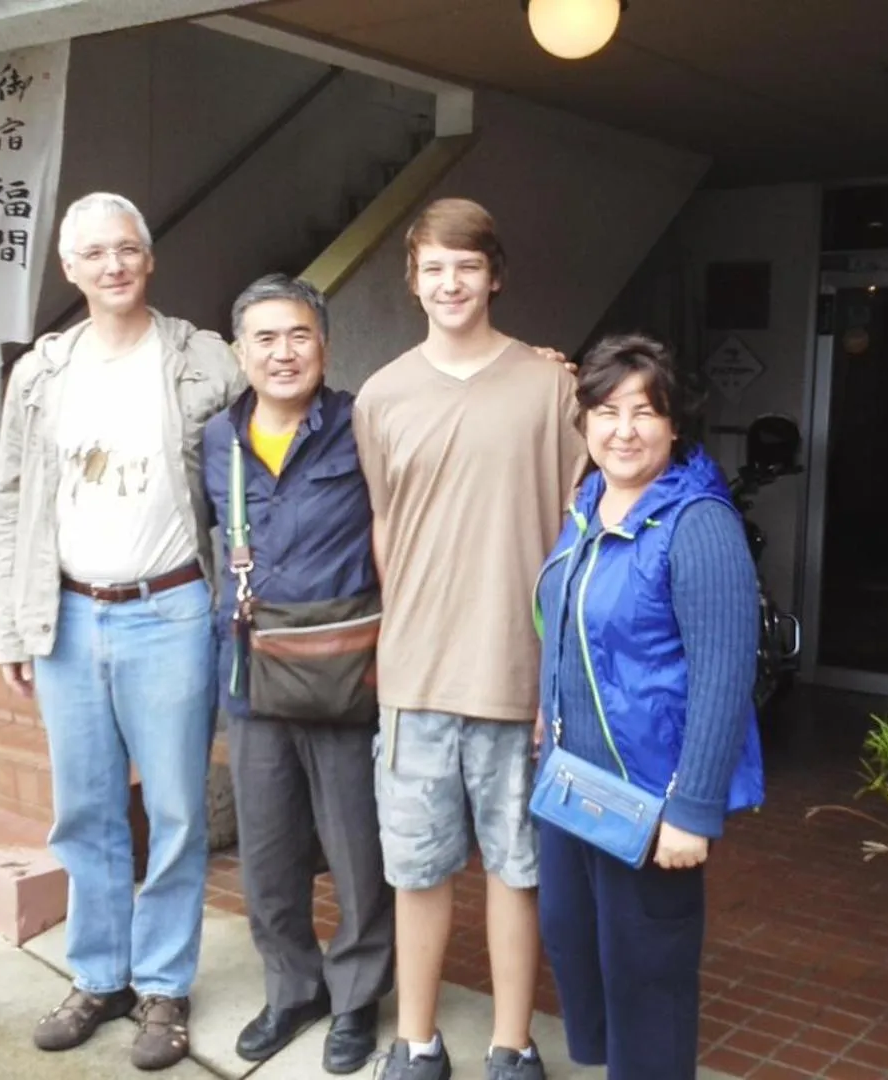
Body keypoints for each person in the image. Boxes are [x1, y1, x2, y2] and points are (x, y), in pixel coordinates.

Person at [0, 191, 245, 1072]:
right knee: (86, 809)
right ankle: (99, 974)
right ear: (69, 269)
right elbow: (11, 500)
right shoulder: (40, 372)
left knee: (175, 810)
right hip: (67, 612)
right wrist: (17, 625)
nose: (113, 266)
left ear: (149, 257)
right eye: (94, 254)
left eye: (127, 249)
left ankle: (164, 986)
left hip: (171, 608)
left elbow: (287, 412)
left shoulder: (204, 359)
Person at [352, 198, 588, 1080]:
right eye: (432, 268)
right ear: (412, 281)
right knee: (415, 871)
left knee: (516, 870)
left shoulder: (551, 387)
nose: (451, 283)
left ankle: (511, 1042)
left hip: (515, 675)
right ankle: (415, 1041)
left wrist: (555, 674)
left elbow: (577, 528)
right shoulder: (381, 395)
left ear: (494, 273)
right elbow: (385, 524)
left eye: (466, 265)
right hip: (415, 677)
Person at [533, 334, 765, 1079]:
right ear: (583, 423)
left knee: (647, 985)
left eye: (644, 412)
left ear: (673, 425)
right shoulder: (588, 506)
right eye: (605, 411)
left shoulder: (699, 524)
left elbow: (724, 677)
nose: (623, 429)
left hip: (650, 798)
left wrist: (692, 808)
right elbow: (564, 628)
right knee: (579, 955)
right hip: (575, 789)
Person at [201, 274, 392, 1075]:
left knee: (356, 848)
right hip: (252, 671)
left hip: (344, 667)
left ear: (325, 343)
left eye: (298, 335)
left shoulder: (364, 425)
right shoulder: (216, 437)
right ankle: (292, 988)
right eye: (265, 339)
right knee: (268, 848)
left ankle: (355, 999)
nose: (283, 353)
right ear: (240, 352)